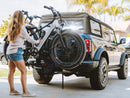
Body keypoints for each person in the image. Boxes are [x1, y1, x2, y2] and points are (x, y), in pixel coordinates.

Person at [6, 10, 39, 97]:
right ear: (21, 18)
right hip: (16, 51)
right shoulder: (21, 27)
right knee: (23, 71)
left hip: (9, 51)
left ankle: (12, 90)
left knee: (11, 71)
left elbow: (21, 35)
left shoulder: (11, 27)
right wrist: (37, 41)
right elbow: (28, 38)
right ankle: (25, 92)